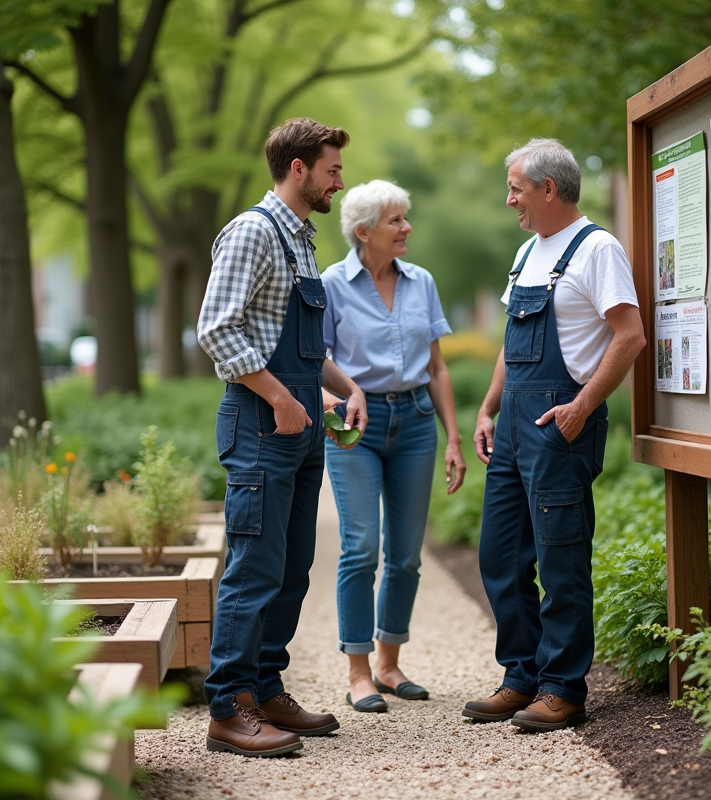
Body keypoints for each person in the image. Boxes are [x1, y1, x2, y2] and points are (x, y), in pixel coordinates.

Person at [197, 117, 368, 758]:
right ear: (298, 169)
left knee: (292, 567)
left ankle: (266, 689)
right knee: (253, 571)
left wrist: (343, 388)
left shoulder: (301, 241)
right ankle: (228, 708)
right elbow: (217, 331)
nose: (338, 181)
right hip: (259, 428)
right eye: (332, 169)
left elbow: (299, 348)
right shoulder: (252, 232)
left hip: (297, 428)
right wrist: (280, 398)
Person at [463, 138, 646, 732]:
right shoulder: (527, 252)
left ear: (548, 188)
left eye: (516, 186)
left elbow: (629, 336)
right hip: (513, 425)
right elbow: (510, 349)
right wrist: (489, 407)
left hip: (558, 428)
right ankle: (521, 676)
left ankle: (563, 686)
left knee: (560, 555)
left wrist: (582, 407)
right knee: (499, 553)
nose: (509, 197)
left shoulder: (598, 250)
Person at [320, 180, 467, 713]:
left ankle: (388, 663)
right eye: (396, 221)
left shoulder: (420, 282)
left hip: (415, 421)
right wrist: (335, 406)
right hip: (353, 421)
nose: (407, 228)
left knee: (405, 557)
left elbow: (437, 367)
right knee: (361, 547)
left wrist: (453, 436)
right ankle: (358, 672)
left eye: (406, 218)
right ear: (364, 232)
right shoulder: (332, 284)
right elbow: (316, 360)